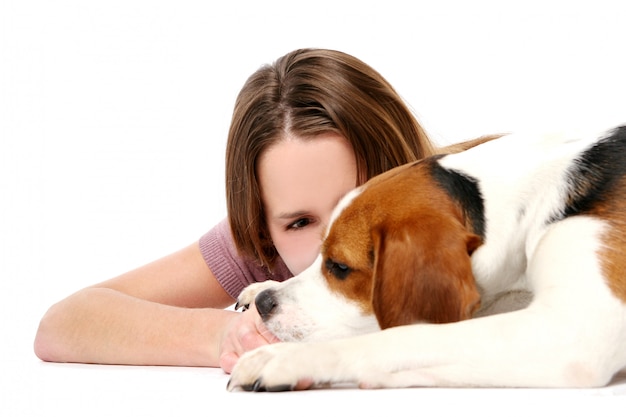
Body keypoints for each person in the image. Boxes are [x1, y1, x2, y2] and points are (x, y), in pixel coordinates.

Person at [34, 48, 489, 373]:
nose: (335, 240)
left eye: (359, 200)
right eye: (300, 222)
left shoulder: (483, 195)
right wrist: (226, 334)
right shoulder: (264, 256)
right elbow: (66, 322)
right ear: (264, 230)